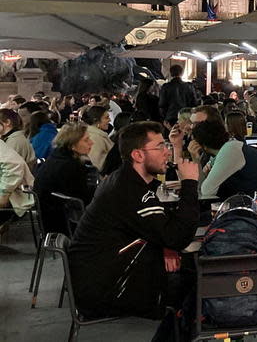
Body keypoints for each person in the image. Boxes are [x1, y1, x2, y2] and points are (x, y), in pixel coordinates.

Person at [68, 122, 199, 320]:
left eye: (167, 146)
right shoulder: (131, 191)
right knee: (200, 278)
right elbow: (178, 238)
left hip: (100, 276)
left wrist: (166, 247)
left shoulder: (124, 180)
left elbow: (163, 230)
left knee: (190, 270)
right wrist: (190, 184)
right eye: (160, 147)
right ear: (137, 155)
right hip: (108, 289)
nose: (166, 152)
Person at [191, 120, 257, 218]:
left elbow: (205, 191)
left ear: (202, 145)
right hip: (256, 205)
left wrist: (195, 160)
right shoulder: (231, 147)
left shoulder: (230, 151)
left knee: (194, 218)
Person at [33, 123, 99, 235]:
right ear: (72, 145)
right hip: (64, 222)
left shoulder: (56, 157)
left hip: (48, 218)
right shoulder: (71, 166)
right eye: (86, 140)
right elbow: (83, 199)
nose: (91, 142)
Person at [81, 105, 112, 171]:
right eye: (106, 118)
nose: (110, 120)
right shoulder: (95, 138)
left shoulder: (96, 134)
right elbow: (95, 164)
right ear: (96, 121)